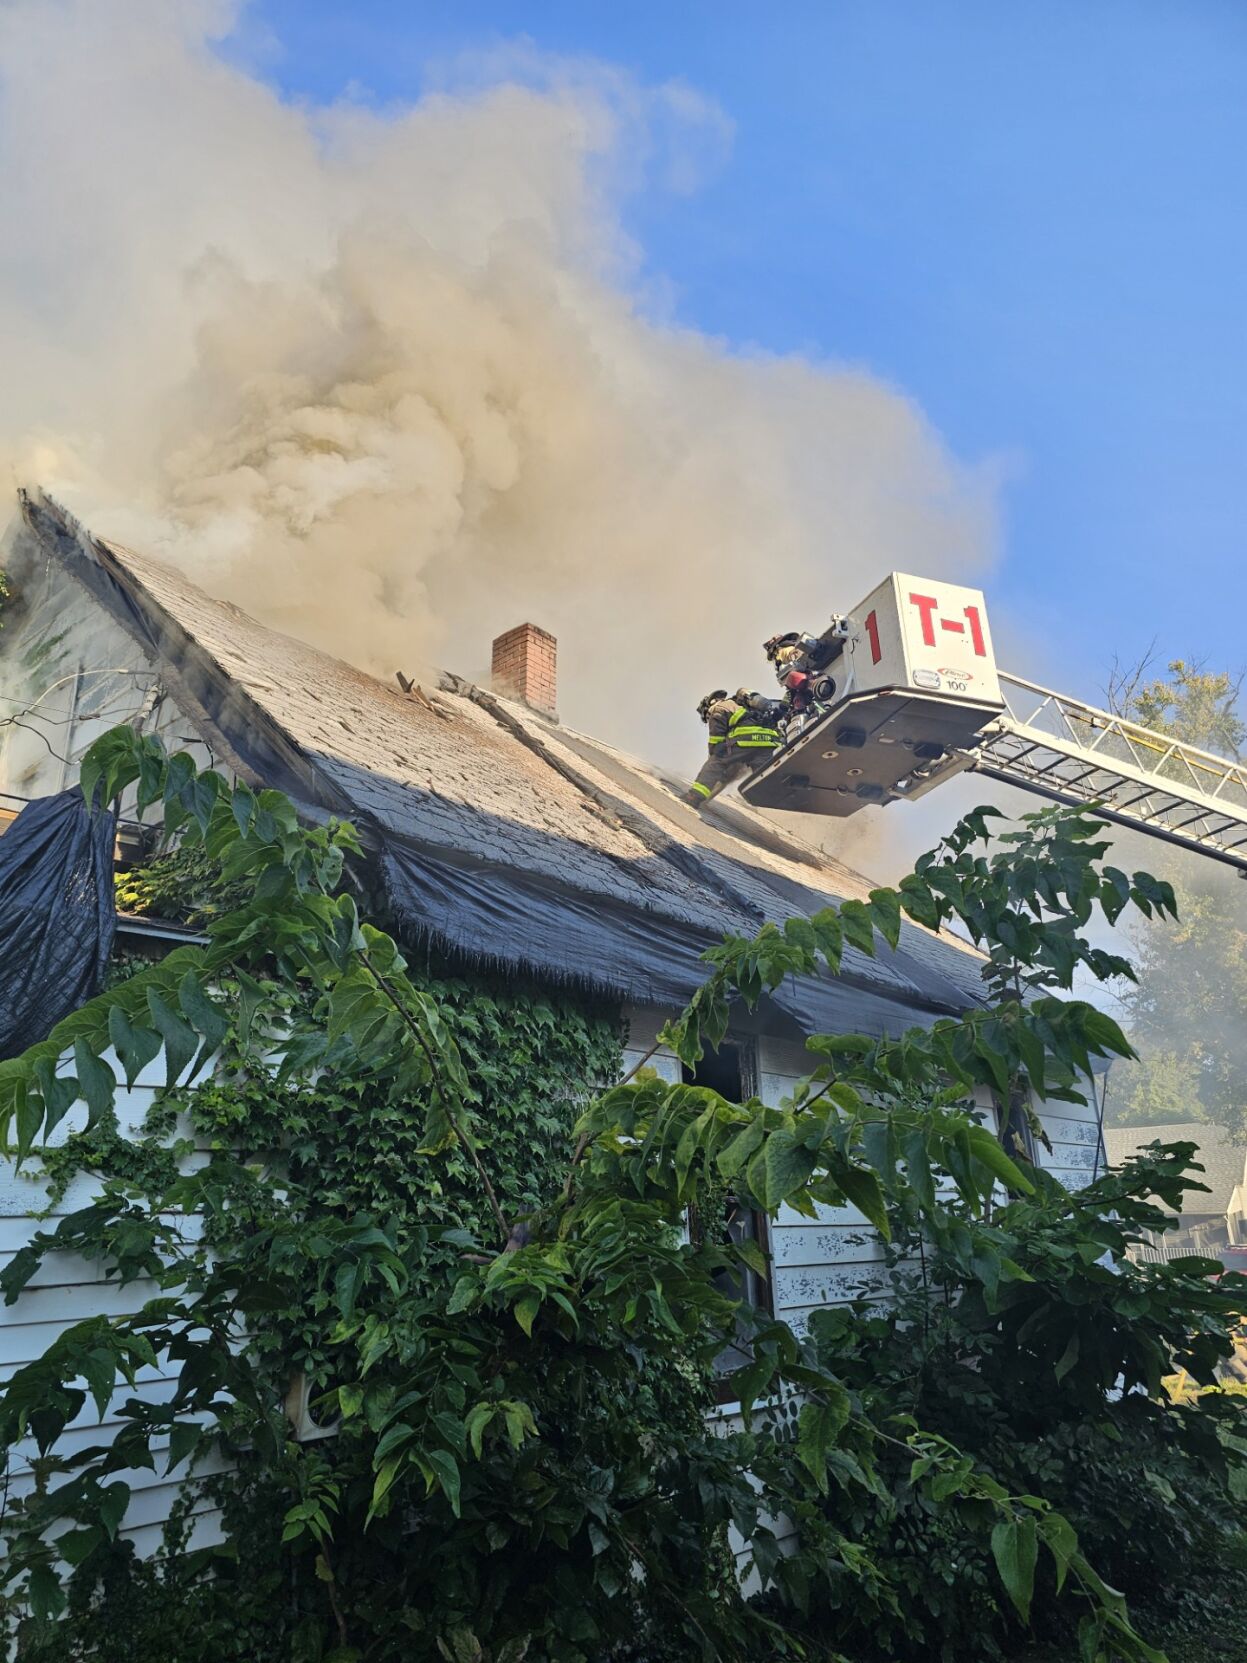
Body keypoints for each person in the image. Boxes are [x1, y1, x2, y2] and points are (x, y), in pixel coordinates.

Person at [684, 687, 786, 807]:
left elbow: (716, 740)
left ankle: (694, 797)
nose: (708, 719)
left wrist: (714, 755)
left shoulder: (718, 708)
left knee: (716, 763)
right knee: (764, 776)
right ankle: (780, 799)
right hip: (769, 743)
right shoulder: (740, 705)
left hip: (746, 740)